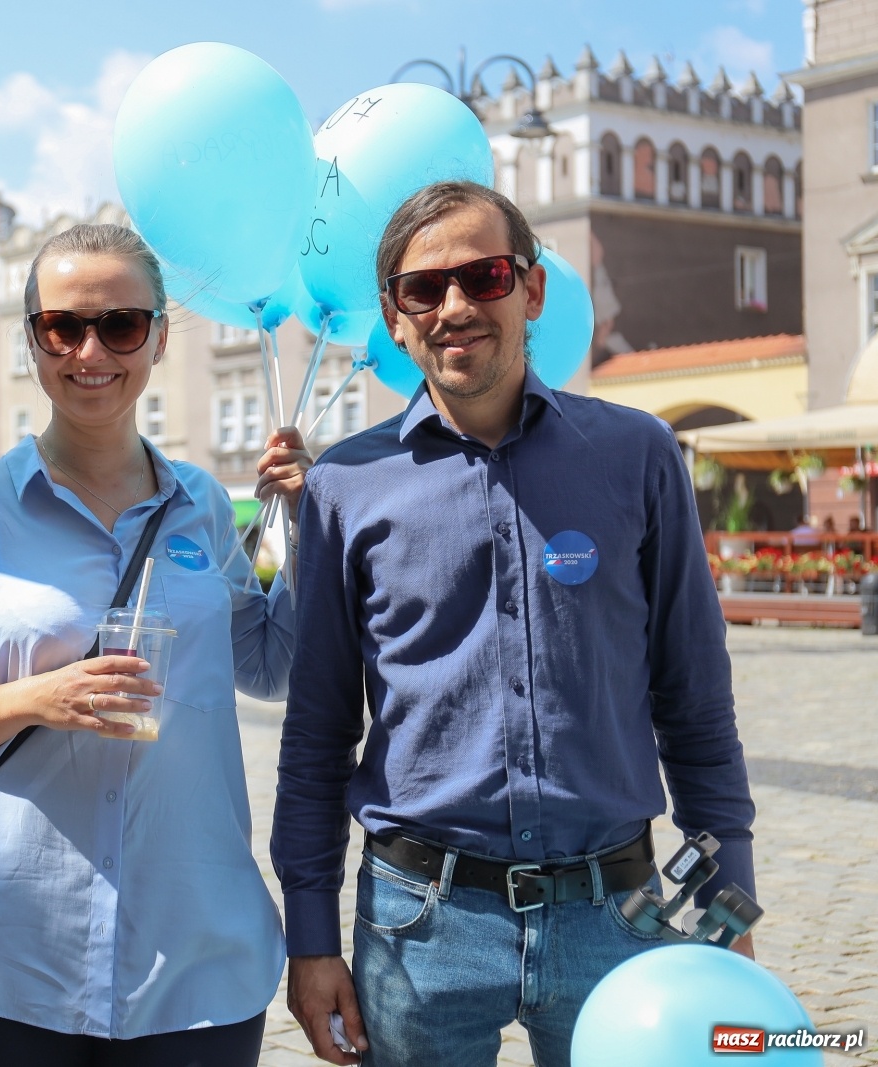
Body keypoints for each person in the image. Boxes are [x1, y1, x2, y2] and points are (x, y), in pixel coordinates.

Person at [272, 181, 756, 1067]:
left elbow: (695, 694)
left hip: (620, 912)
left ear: (530, 291)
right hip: (420, 924)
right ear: (395, 316)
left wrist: (729, 898)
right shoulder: (345, 485)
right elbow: (317, 731)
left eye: (484, 275)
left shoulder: (638, 454)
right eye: (425, 289)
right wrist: (310, 938)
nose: (456, 305)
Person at [0, 223, 311, 1067]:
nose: (91, 350)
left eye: (121, 325)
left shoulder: (199, 503)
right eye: (63, 327)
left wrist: (306, 527)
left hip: (191, 943)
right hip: (9, 943)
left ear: (159, 336)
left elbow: (268, 666)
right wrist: (36, 698)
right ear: (32, 342)